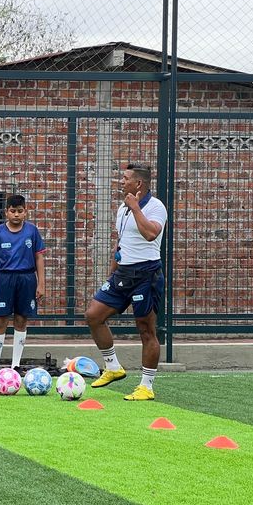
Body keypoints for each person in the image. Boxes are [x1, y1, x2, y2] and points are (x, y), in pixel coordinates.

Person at [85, 163, 167, 401]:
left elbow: (150, 233)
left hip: (147, 274)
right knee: (93, 315)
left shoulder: (155, 206)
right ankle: (113, 367)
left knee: (146, 329)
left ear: (138, 183)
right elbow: (121, 243)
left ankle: (146, 386)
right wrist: (112, 272)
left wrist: (136, 208)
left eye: (125, 178)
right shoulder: (123, 208)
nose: (121, 182)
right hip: (122, 273)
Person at [0, 194, 46, 371]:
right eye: (13, 211)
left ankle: (16, 364)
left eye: (20, 211)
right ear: (6, 212)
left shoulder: (32, 231)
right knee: (0, 320)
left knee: (21, 320)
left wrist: (41, 283)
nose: (16, 214)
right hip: (4, 279)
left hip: (27, 278)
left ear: (25, 212)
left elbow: (39, 257)